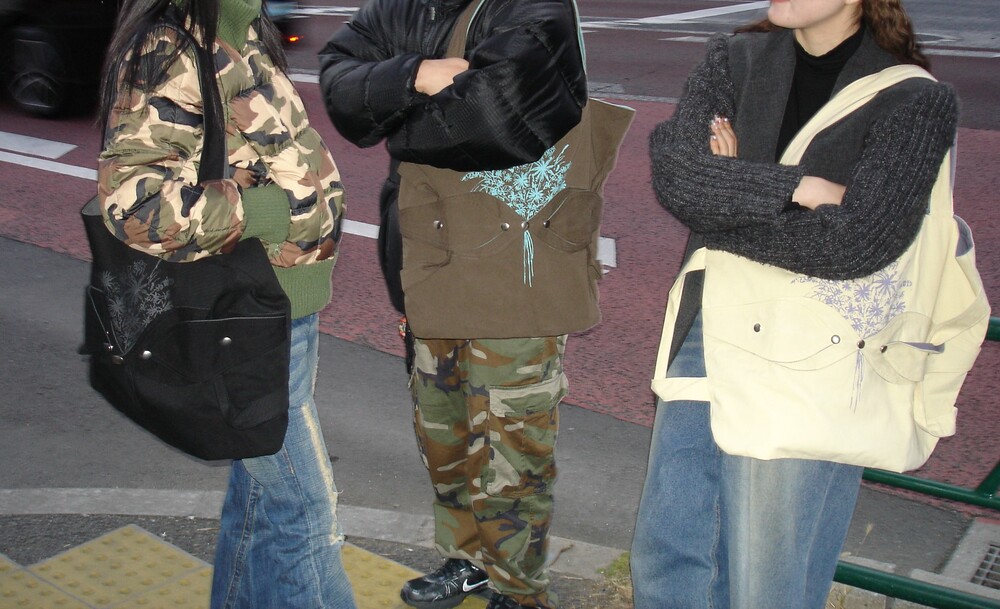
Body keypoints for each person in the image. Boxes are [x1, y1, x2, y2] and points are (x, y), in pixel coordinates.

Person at [631, 0, 958, 608]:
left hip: (814, 349)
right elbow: (678, 177)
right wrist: (801, 188)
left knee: (767, 575)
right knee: (669, 552)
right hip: (707, 323)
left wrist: (728, 195)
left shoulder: (914, 98)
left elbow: (857, 243)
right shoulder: (735, 59)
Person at [317, 1, 589, 608]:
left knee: (511, 445)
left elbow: (493, 120)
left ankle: (519, 590)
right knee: (443, 431)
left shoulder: (534, 7)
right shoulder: (403, 6)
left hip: (517, 269)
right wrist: (417, 75)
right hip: (429, 256)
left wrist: (389, 101)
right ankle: (467, 560)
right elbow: (338, 85)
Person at [96, 1, 357, 608]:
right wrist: (269, 214)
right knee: (304, 512)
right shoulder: (171, 45)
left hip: (281, 309)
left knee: (261, 501)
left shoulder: (242, 26)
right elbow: (134, 204)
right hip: (242, 317)